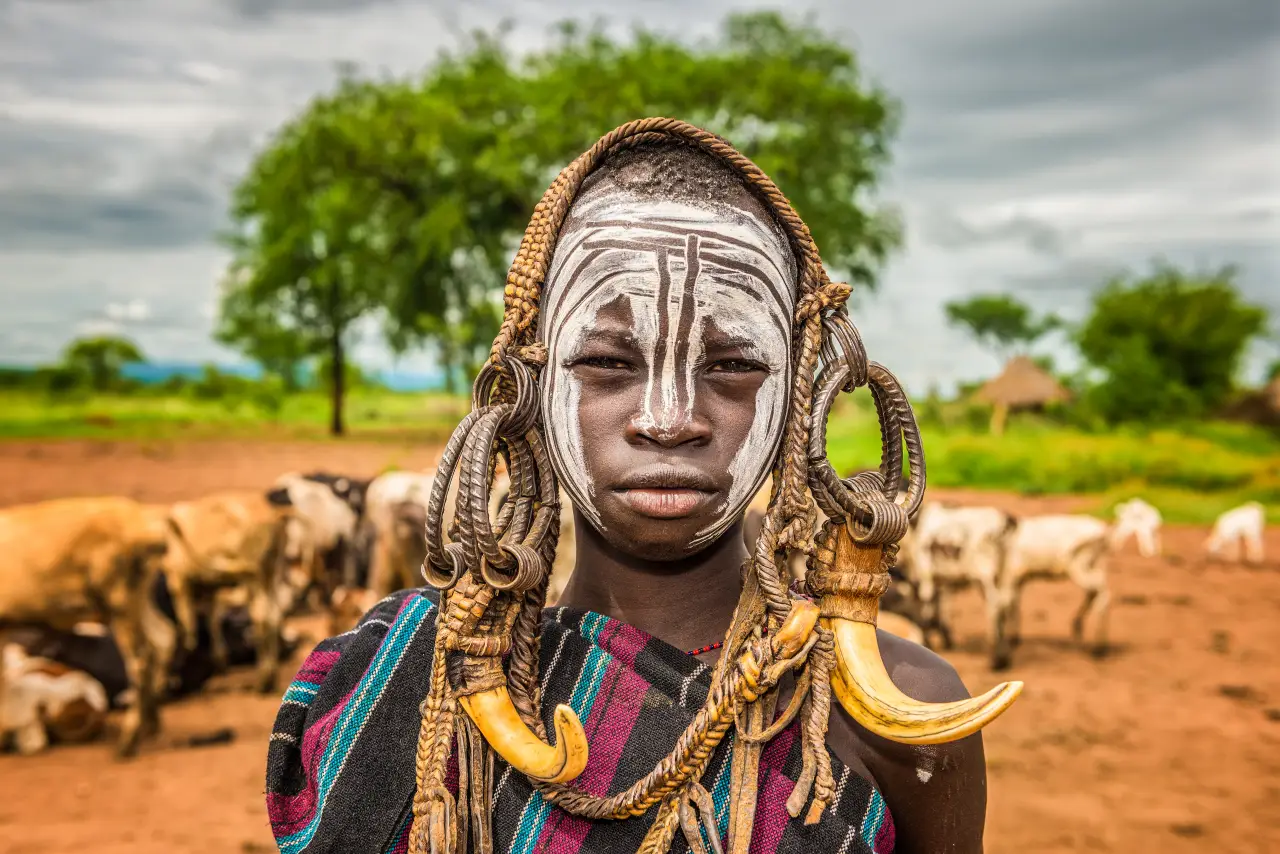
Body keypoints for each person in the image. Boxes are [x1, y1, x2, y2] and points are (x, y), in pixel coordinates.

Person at [265, 118, 1021, 854]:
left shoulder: (899, 708)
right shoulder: (401, 686)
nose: (669, 420)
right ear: (525, 385)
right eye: (607, 363)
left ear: (799, 394)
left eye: (732, 365)